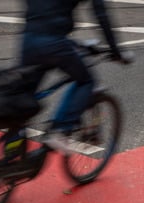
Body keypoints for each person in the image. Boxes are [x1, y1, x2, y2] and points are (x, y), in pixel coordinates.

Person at [18, 0, 128, 153]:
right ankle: (60, 131)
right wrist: (115, 51)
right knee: (86, 81)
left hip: (28, 39)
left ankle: (11, 155)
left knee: (23, 99)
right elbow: (101, 14)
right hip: (54, 42)